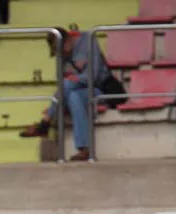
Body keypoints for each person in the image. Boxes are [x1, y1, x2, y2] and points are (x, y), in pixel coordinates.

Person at [19, 28, 115, 162]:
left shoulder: (88, 41)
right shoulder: (62, 56)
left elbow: (93, 76)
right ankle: (84, 149)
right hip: (76, 94)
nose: (61, 55)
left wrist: (71, 82)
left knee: (67, 85)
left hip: (99, 90)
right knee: (73, 96)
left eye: (61, 50)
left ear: (68, 41)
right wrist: (60, 100)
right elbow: (62, 81)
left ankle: (45, 123)